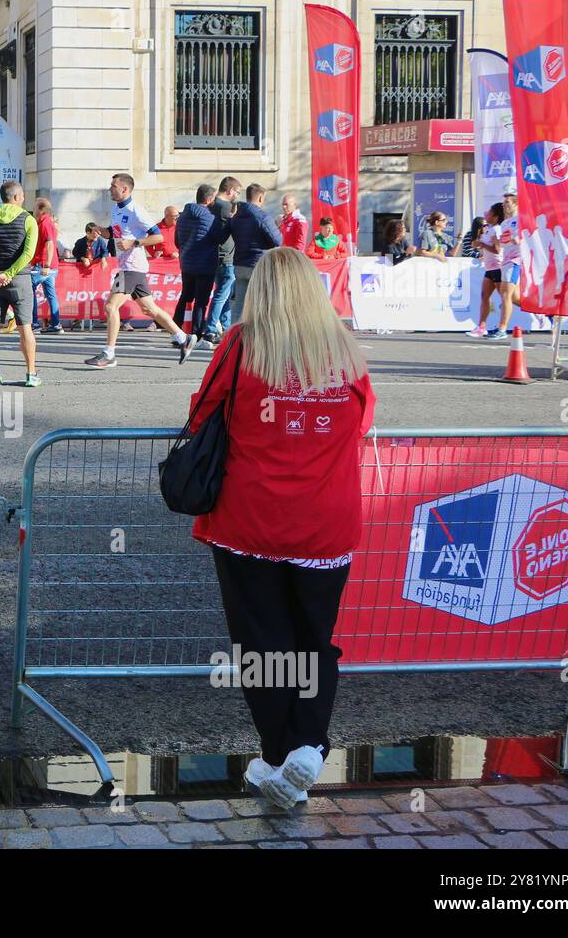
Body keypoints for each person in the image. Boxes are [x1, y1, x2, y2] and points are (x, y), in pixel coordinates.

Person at [187, 246, 374, 810]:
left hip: (250, 522)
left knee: (263, 647)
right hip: (326, 522)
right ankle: (307, 748)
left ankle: (279, 754)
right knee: (315, 641)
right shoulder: (343, 348)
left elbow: (200, 413)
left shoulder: (242, 345)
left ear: (260, 291)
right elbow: (363, 423)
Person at [84, 173, 196, 369]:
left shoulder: (137, 211)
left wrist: (135, 242)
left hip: (131, 267)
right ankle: (183, 338)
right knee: (149, 309)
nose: (110, 188)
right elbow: (115, 232)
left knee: (111, 307)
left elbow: (158, 237)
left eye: (113, 186)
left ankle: (108, 354)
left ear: (124, 189)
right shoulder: (116, 209)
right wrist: (101, 229)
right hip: (129, 266)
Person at [0, 180, 40, 387]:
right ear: (16, 197)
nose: (23, 200)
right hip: (19, 279)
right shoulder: (28, 220)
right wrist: (10, 273)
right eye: (22, 197)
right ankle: (30, 374)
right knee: (25, 328)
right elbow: (28, 253)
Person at [174, 183, 228, 341]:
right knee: (200, 301)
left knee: (185, 297)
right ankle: (196, 333)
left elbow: (177, 240)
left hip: (186, 262)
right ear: (210, 199)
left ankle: (175, 330)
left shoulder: (183, 215)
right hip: (205, 264)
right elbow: (220, 238)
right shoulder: (210, 217)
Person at [229, 183, 281, 323]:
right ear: (260, 197)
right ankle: (261, 336)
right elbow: (277, 240)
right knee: (263, 304)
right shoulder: (263, 217)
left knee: (239, 304)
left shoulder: (236, 217)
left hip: (240, 264)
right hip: (258, 265)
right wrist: (277, 227)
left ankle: (234, 337)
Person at [202, 176, 240, 343]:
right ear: (230, 190)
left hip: (217, 256)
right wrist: (235, 219)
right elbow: (227, 232)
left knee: (224, 295)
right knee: (222, 295)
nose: (237, 195)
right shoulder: (225, 207)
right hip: (226, 256)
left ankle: (226, 328)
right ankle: (210, 329)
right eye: (237, 192)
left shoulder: (212, 205)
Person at [487, 192, 523, 340]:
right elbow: (502, 244)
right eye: (503, 203)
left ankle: (502, 329)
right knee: (515, 297)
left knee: (506, 294)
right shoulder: (504, 223)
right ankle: (544, 312)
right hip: (506, 260)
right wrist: (497, 241)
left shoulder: (521, 220)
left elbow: (524, 237)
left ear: (515, 204)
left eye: (507, 203)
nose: (504, 205)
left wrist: (518, 239)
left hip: (516, 260)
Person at [467, 203, 505, 338]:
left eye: (489, 213)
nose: (486, 214)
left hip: (499, 268)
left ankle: (538, 314)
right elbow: (480, 245)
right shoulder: (489, 229)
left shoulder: (498, 229)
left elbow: (497, 250)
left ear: (495, 217)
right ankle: (481, 327)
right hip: (489, 268)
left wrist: (482, 244)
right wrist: (478, 244)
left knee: (510, 298)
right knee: (485, 297)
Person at [30, 197, 62, 333]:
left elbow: (49, 244)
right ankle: (55, 324)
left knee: (28, 291)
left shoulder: (45, 222)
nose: (33, 210)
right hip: (49, 265)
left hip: (42, 265)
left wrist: (46, 265)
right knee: (51, 294)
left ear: (40, 209)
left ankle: (34, 323)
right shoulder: (47, 222)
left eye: (35, 207)